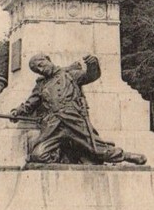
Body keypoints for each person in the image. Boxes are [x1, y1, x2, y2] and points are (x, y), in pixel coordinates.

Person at [10, 54, 146, 165]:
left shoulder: (70, 75)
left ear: (48, 59)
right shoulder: (41, 84)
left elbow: (90, 76)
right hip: (54, 125)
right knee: (39, 155)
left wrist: (93, 64)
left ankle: (126, 156)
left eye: (41, 64)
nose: (40, 69)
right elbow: (30, 103)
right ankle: (73, 157)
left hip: (74, 120)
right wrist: (17, 111)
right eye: (36, 69)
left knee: (98, 149)